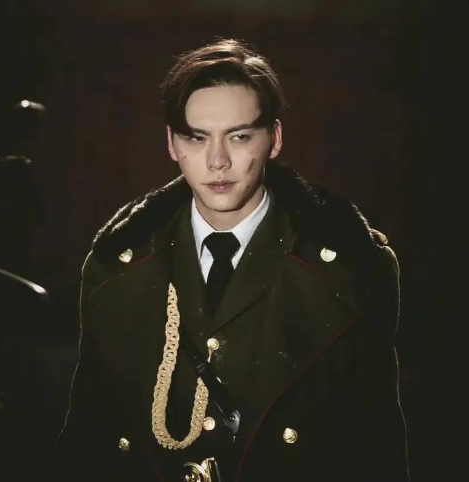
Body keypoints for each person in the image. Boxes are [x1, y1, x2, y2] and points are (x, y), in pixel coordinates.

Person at [56, 38, 410, 482]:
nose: (217, 161)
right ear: (172, 144)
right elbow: (86, 447)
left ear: (274, 139)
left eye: (239, 137)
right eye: (196, 137)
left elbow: (375, 453)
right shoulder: (115, 268)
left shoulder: (351, 271)